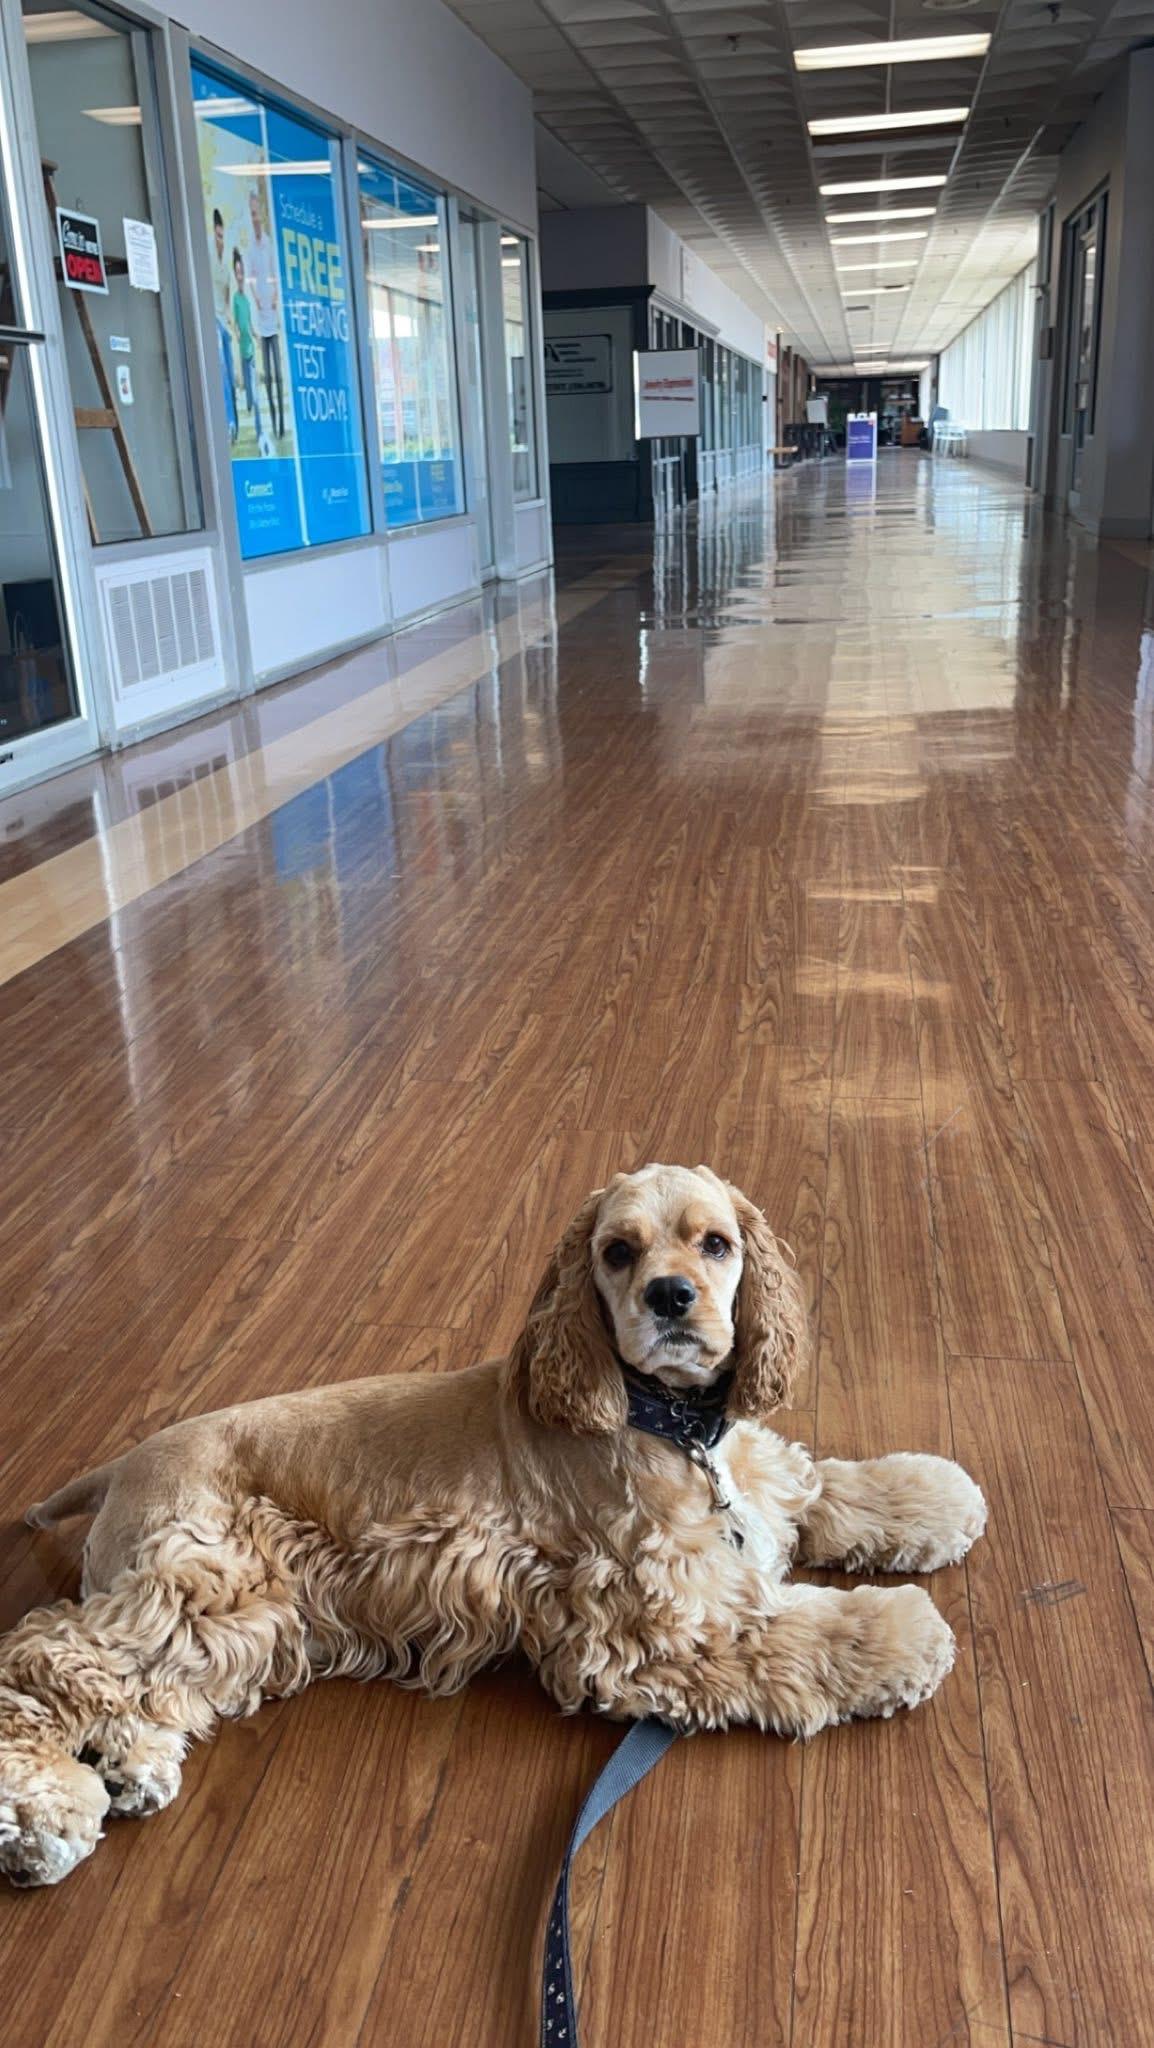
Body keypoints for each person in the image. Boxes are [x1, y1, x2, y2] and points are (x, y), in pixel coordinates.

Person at [246, 185, 284, 442]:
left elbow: (275, 275)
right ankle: (273, 420)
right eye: (252, 214)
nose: (255, 217)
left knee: (278, 374)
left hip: (272, 314)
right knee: (268, 376)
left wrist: (274, 297)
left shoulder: (269, 244)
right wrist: (258, 299)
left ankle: (280, 422)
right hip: (261, 318)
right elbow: (250, 278)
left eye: (257, 212)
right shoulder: (250, 247)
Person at [210, 207, 237, 442]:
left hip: (223, 322)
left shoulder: (225, 266)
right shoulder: (208, 260)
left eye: (222, 236)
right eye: (217, 236)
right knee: (223, 373)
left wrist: (230, 322)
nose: (221, 241)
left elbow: (227, 299)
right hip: (214, 321)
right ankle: (228, 423)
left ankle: (233, 422)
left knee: (231, 372)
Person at [231, 248, 262, 443]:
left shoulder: (247, 300)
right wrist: (236, 333)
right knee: (247, 382)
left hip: (249, 344)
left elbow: (249, 322)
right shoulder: (235, 298)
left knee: (252, 379)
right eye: (237, 273)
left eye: (242, 272)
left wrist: (255, 335)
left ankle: (256, 413)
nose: (240, 276)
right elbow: (236, 321)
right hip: (242, 345)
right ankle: (250, 404)